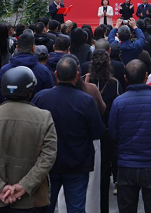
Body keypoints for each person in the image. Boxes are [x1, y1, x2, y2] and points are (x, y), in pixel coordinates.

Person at [0, 66, 58, 212]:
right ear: (30, 90)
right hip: (33, 199)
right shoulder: (44, 118)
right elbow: (48, 157)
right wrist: (24, 186)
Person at [32, 56, 105, 213]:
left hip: (47, 163)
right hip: (77, 163)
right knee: (76, 208)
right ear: (77, 75)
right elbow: (98, 132)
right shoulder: (86, 100)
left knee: (45, 206)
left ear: (56, 74)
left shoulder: (41, 97)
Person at [109, 59, 151, 213]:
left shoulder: (118, 102)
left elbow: (113, 133)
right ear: (146, 75)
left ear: (125, 78)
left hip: (126, 165)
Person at [87, 49, 122, 213]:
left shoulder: (85, 82)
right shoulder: (114, 84)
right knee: (104, 171)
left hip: (88, 132)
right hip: (107, 131)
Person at [0, 32, 55, 103]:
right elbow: (49, 96)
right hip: (36, 109)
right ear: (33, 48)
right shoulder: (43, 71)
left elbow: (0, 95)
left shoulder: (5, 70)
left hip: (9, 108)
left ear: (17, 48)